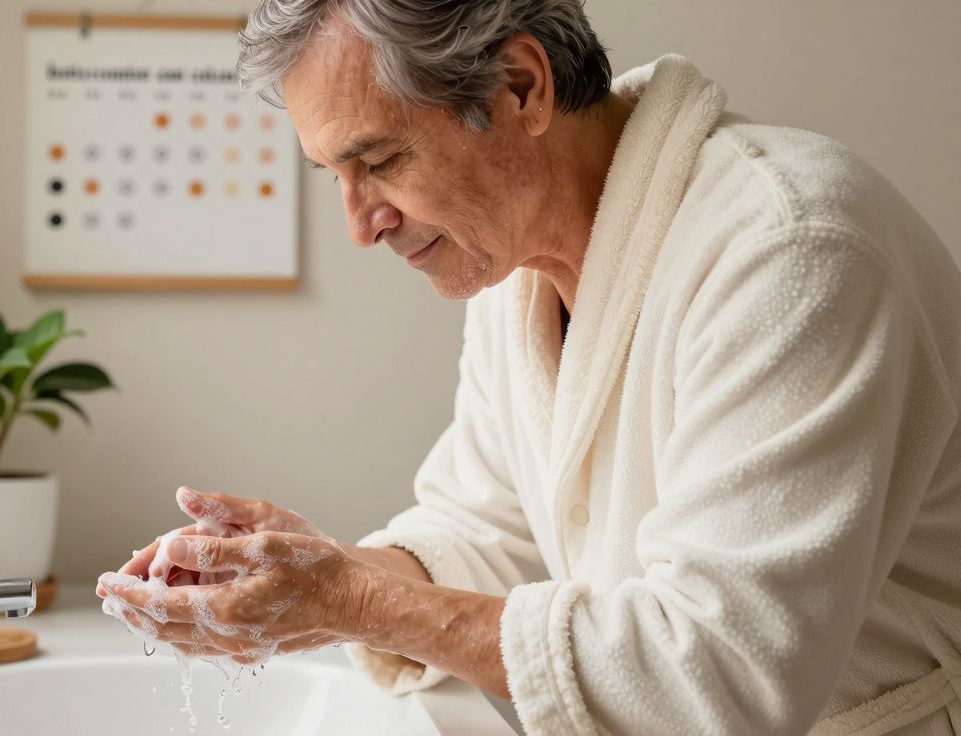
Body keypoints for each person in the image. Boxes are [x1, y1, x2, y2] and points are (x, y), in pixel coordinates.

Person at [97, 1, 961, 733]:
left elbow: (723, 672)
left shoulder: (790, 252)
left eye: (381, 161)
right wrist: (310, 576)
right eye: (336, 176)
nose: (362, 225)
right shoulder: (514, 274)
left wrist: (350, 601)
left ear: (520, 86)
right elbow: (487, 535)